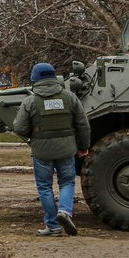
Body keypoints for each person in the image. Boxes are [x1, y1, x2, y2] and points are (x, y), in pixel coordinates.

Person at [11, 62, 91, 237]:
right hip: (66, 148)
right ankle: (64, 211)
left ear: (34, 79)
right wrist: (83, 146)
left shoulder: (30, 101)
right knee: (67, 182)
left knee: (45, 187)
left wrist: (34, 133)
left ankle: (53, 226)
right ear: (55, 77)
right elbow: (83, 125)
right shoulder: (70, 97)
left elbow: (19, 127)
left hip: (42, 150)